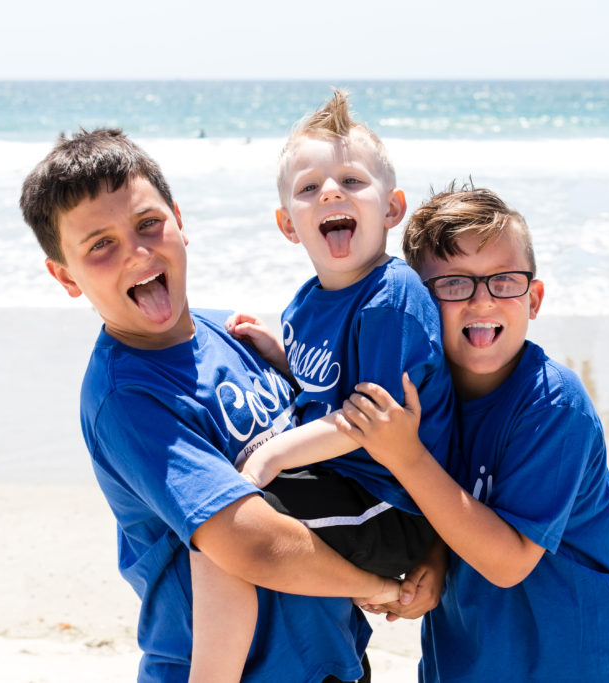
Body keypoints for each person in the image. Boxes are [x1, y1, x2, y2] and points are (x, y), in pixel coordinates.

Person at [19, 128, 399, 683]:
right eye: (99, 244)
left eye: (148, 223)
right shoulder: (127, 398)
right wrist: (380, 587)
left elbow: (337, 446)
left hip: (334, 657)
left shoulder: (234, 333)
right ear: (64, 276)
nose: (137, 252)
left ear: (179, 220)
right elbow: (251, 543)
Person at [191, 90, 456, 681]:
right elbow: (331, 388)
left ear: (392, 208)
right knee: (221, 505)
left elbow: (367, 422)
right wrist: (283, 356)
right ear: (289, 224)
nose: (331, 192)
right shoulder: (308, 301)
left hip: (391, 507)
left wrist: (270, 457)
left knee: (225, 527)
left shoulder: (393, 299)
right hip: (344, 486)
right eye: (309, 189)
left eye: (352, 181)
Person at [338, 184, 609, 681]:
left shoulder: (553, 404)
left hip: (574, 665)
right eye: (454, 284)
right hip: (464, 662)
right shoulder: (423, 398)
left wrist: (407, 456)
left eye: (504, 281)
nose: (482, 301)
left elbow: (508, 562)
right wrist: (434, 560)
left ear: (534, 298)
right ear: (417, 301)